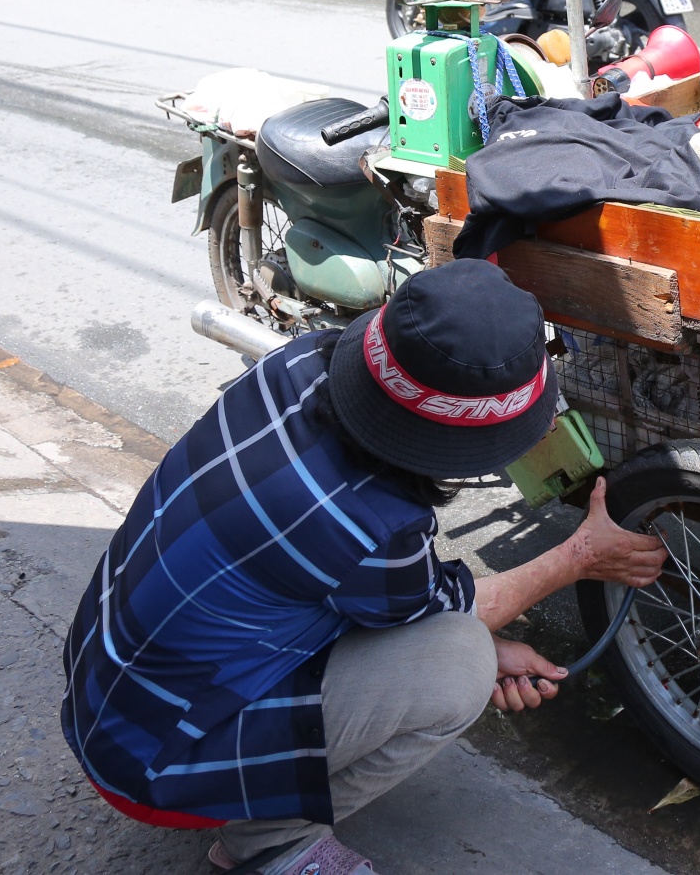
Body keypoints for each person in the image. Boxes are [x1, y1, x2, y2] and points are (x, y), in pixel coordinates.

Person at [61, 261, 667, 875]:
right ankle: (271, 841)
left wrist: (483, 632)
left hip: (108, 687)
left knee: (454, 640)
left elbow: (399, 606)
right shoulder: (368, 523)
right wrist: (578, 558)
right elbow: (447, 615)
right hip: (152, 763)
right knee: (459, 666)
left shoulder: (295, 362)